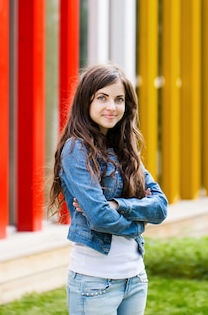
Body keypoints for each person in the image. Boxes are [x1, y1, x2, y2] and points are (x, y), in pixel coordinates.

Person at [48, 63, 168, 315]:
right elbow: (99, 217)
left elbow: (160, 207)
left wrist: (117, 205)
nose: (112, 107)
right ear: (86, 101)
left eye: (119, 99)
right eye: (102, 98)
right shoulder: (76, 149)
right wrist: (137, 224)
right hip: (95, 280)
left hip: (135, 276)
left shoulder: (126, 150)